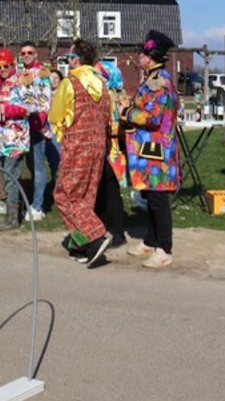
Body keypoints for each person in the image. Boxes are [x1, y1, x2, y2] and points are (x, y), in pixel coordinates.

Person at [48, 40, 112, 268]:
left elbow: (55, 115)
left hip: (77, 145)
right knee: (86, 197)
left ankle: (95, 235)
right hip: (98, 146)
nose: (68, 62)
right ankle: (82, 247)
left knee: (64, 194)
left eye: (69, 57)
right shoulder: (102, 84)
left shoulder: (70, 83)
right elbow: (108, 116)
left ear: (76, 60)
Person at [122, 30, 180, 269]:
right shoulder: (152, 78)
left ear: (150, 57)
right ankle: (150, 240)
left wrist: (127, 113)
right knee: (150, 194)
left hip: (158, 149)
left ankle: (164, 248)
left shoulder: (158, 82)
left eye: (143, 54)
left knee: (158, 198)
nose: (140, 57)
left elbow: (153, 116)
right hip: (150, 148)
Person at [0, 49, 30, 230]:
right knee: (6, 175)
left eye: (6, 66)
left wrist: (7, 110)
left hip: (16, 138)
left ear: (12, 65)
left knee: (11, 176)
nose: (2, 69)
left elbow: (28, 107)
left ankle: (13, 217)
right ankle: (11, 212)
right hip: (2, 138)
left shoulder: (20, 82)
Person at [18, 41, 56, 220]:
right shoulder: (21, 73)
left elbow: (45, 101)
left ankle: (38, 206)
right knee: (31, 165)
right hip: (23, 126)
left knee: (39, 165)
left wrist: (39, 124)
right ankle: (36, 197)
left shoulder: (42, 73)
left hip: (37, 126)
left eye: (29, 52)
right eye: (23, 53)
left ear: (35, 54)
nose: (26, 55)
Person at [95, 57, 129, 248]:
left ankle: (117, 231)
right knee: (102, 189)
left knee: (110, 190)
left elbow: (118, 123)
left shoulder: (113, 96)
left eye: (99, 75)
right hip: (107, 147)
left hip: (112, 149)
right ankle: (103, 225)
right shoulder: (116, 95)